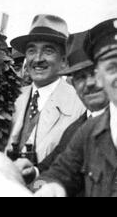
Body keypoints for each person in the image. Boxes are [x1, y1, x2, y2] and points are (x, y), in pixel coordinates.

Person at [34, 18, 117, 197]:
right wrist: (47, 187)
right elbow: (54, 174)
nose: (89, 84)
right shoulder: (87, 130)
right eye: (80, 77)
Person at [14, 31, 109, 184]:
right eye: (80, 77)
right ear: (73, 84)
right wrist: (33, 173)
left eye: (95, 73)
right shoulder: (79, 127)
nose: (89, 83)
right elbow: (58, 169)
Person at [7, 15, 85, 164]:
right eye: (31, 51)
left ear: (64, 60)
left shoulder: (79, 104)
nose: (37, 59)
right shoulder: (14, 97)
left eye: (48, 51)